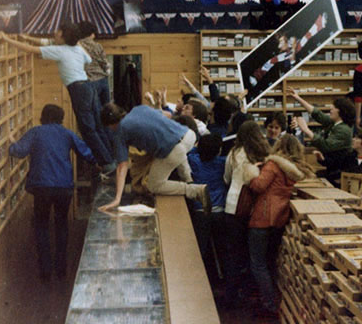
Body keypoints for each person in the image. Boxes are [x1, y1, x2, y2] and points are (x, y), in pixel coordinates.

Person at [0, 25, 115, 171]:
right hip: (88, 87)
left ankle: (106, 163)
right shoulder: (76, 48)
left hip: (78, 89)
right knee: (97, 126)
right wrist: (28, 37)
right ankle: (110, 159)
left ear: (63, 36)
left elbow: (31, 49)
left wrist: (6, 39)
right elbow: (88, 59)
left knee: (88, 129)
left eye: (58, 31)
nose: (55, 33)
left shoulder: (60, 51)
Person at [7, 104, 95, 281]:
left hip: (41, 187)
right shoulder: (67, 133)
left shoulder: (36, 132)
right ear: (61, 117)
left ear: (42, 116)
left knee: (41, 225)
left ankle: (45, 271)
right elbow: (87, 154)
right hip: (64, 187)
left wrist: (11, 143)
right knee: (62, 225)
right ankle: (61, 269)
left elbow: (19, 151)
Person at [98, 103, 210, 211]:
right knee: (179, 155)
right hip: (188, 136)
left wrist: (117, 199)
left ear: (110, 125)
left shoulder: (120, 131)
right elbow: (168, 114)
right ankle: (189, 180)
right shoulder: (139, 109)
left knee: (153, 185)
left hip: (173, 149)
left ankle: (195, 190)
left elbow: (122, 166)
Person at [243, 135, 305, 318]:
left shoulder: (273, 164)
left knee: (257, 263)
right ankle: (271, 299)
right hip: (280, 216)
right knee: (268, 261)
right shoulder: (294, 170)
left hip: (263, 216)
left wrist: (250, 172)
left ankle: (269, 304)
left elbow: (259, 186)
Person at [223, 121, 272, 307]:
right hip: (255, 209)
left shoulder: (235, 153)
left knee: (233, 253)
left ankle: (231, 296)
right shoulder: (264, 154)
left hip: (233, 205)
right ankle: (249, 292)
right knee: (251, 254)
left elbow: (226, 177)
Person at [287, 87, 354, 186]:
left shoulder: (343, 129)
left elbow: (325, 145)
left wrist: (306, 130)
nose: (331, 109)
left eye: (334, 107)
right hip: (333, 168)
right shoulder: (335, 123)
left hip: (341, 173)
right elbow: (317, 114)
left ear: (341, 111)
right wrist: (297, 98)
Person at [187, 133, 228, 281]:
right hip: (219, 210)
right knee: (221, 247)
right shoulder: (222, 163)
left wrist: (197, 147)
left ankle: (198, 278)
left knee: (200, 248)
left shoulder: (194, 161)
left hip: (200, 209)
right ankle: (221, 277)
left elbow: (190, 151)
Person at [77, 21, 111, 107]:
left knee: (95, 110)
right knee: (107, 109)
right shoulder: (98, 45)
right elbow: (105, 63)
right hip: (103, 79)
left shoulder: (78, 46)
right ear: (92, 34)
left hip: (90, 80)